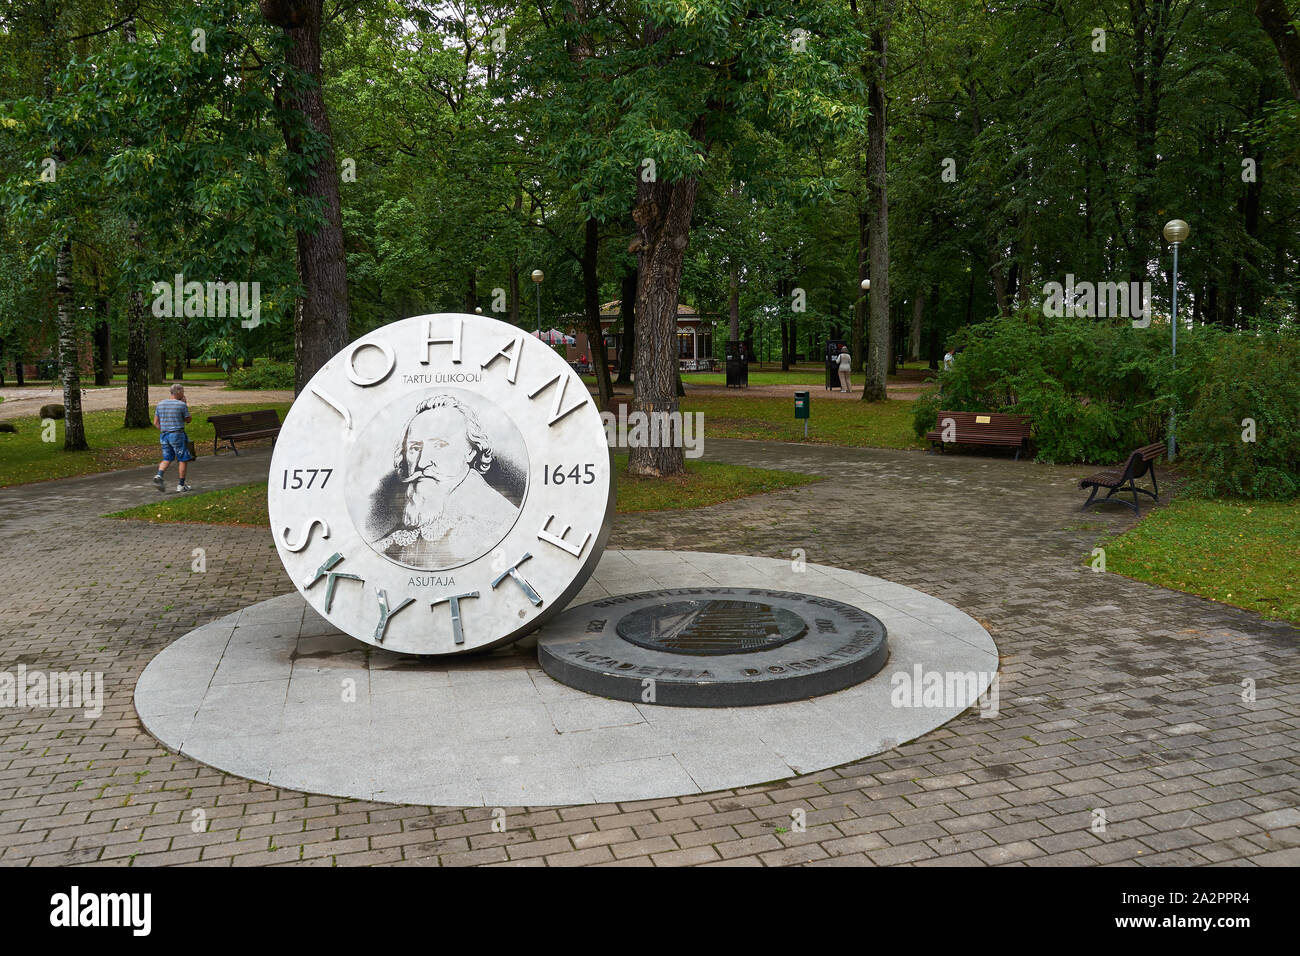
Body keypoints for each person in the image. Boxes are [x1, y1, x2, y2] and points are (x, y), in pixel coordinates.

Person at [372, 394, 519, 568]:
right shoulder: (395, 540)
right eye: (415, 448)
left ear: (471, 451)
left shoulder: (498, 524)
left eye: (440, 445)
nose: (422, 462)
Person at [152, 383, 193, 492]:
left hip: (164, 435)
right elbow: (188, 420)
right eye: (183, 392)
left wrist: (165, 430)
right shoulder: (181, 405)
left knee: (167, 458)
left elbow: (155, 423)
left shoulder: (160, 404)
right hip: (177, 435)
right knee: (183, 459)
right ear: (179, 392)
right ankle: (181, 485)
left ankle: (159, 475)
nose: (184, 394)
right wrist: (185, 404)